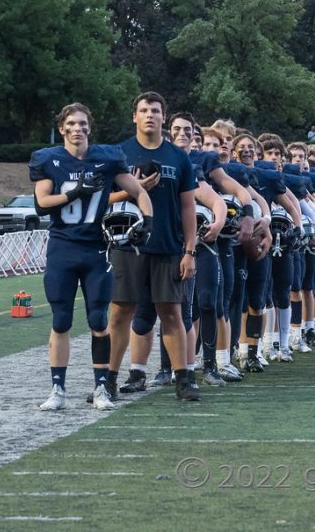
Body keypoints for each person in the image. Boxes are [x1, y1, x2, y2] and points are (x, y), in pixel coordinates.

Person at [31, 103, 152, 411]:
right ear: (62, 128)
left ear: (89, 127)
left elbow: (138, 191)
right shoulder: (49, 159)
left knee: (99, 319)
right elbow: (42, 203)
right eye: (71, 123)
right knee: (61, 320)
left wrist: (147, 222)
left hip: (96, 249)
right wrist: (75, 192)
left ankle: (101, 388)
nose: (77, 128)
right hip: (62, 248)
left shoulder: (107, 158)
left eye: (83, 123)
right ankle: (57, 389)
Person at [106, 92, 201, 401]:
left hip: (167, 245)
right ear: (134, 116)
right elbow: (102, 199)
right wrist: (133, 191)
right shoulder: (118, 153)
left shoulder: (178, 156)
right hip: (127, 245)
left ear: (164, 117)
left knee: (171, 312)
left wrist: (190, 250)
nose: (150, 115)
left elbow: (188, 208)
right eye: (144, 110)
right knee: (121, 313)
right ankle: (107, 378)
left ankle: (183, 378)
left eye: (156, 110)